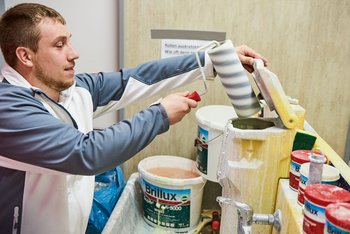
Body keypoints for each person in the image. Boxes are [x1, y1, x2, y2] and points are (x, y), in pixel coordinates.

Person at [0, 3, 268, 234]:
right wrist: (159, 115)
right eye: (59, 45)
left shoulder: (70, 90)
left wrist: (212, 60)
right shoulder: (8, 111)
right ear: (25, 56)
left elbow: (136, 78)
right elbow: (86, 153)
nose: (73, 52)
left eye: (69, 40)